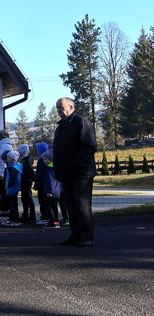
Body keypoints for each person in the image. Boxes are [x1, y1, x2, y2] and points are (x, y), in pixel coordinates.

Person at [53, 97, 97, 247]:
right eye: (57, 107)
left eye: (61, 106)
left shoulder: (81, 122)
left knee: (82, 205)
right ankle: (75, 234)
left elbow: (89, 146)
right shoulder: (61, 126)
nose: (59, 110)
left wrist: (76, 164)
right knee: (70, 206)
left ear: (71, 107)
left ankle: (86, 236)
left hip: (81, 172)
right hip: (66, 174)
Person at [1, 150, 23, 227]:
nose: (7, 158)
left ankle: (14, 219)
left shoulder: (12, 168)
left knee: (12, 204)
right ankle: (12, 218)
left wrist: (8, 186)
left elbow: (12, 178)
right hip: (13, 188)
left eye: (8, 157)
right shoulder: (14, 167)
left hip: (11, 188)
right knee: (13, 203)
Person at [17, 144, 36, 222]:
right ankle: (26, 215)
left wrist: (35, 180)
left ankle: (31, 216)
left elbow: (31, 172)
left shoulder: (26, 162)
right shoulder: (26, 160)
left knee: (27, 198)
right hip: (25, 181)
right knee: (25, 199)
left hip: (26, 182)